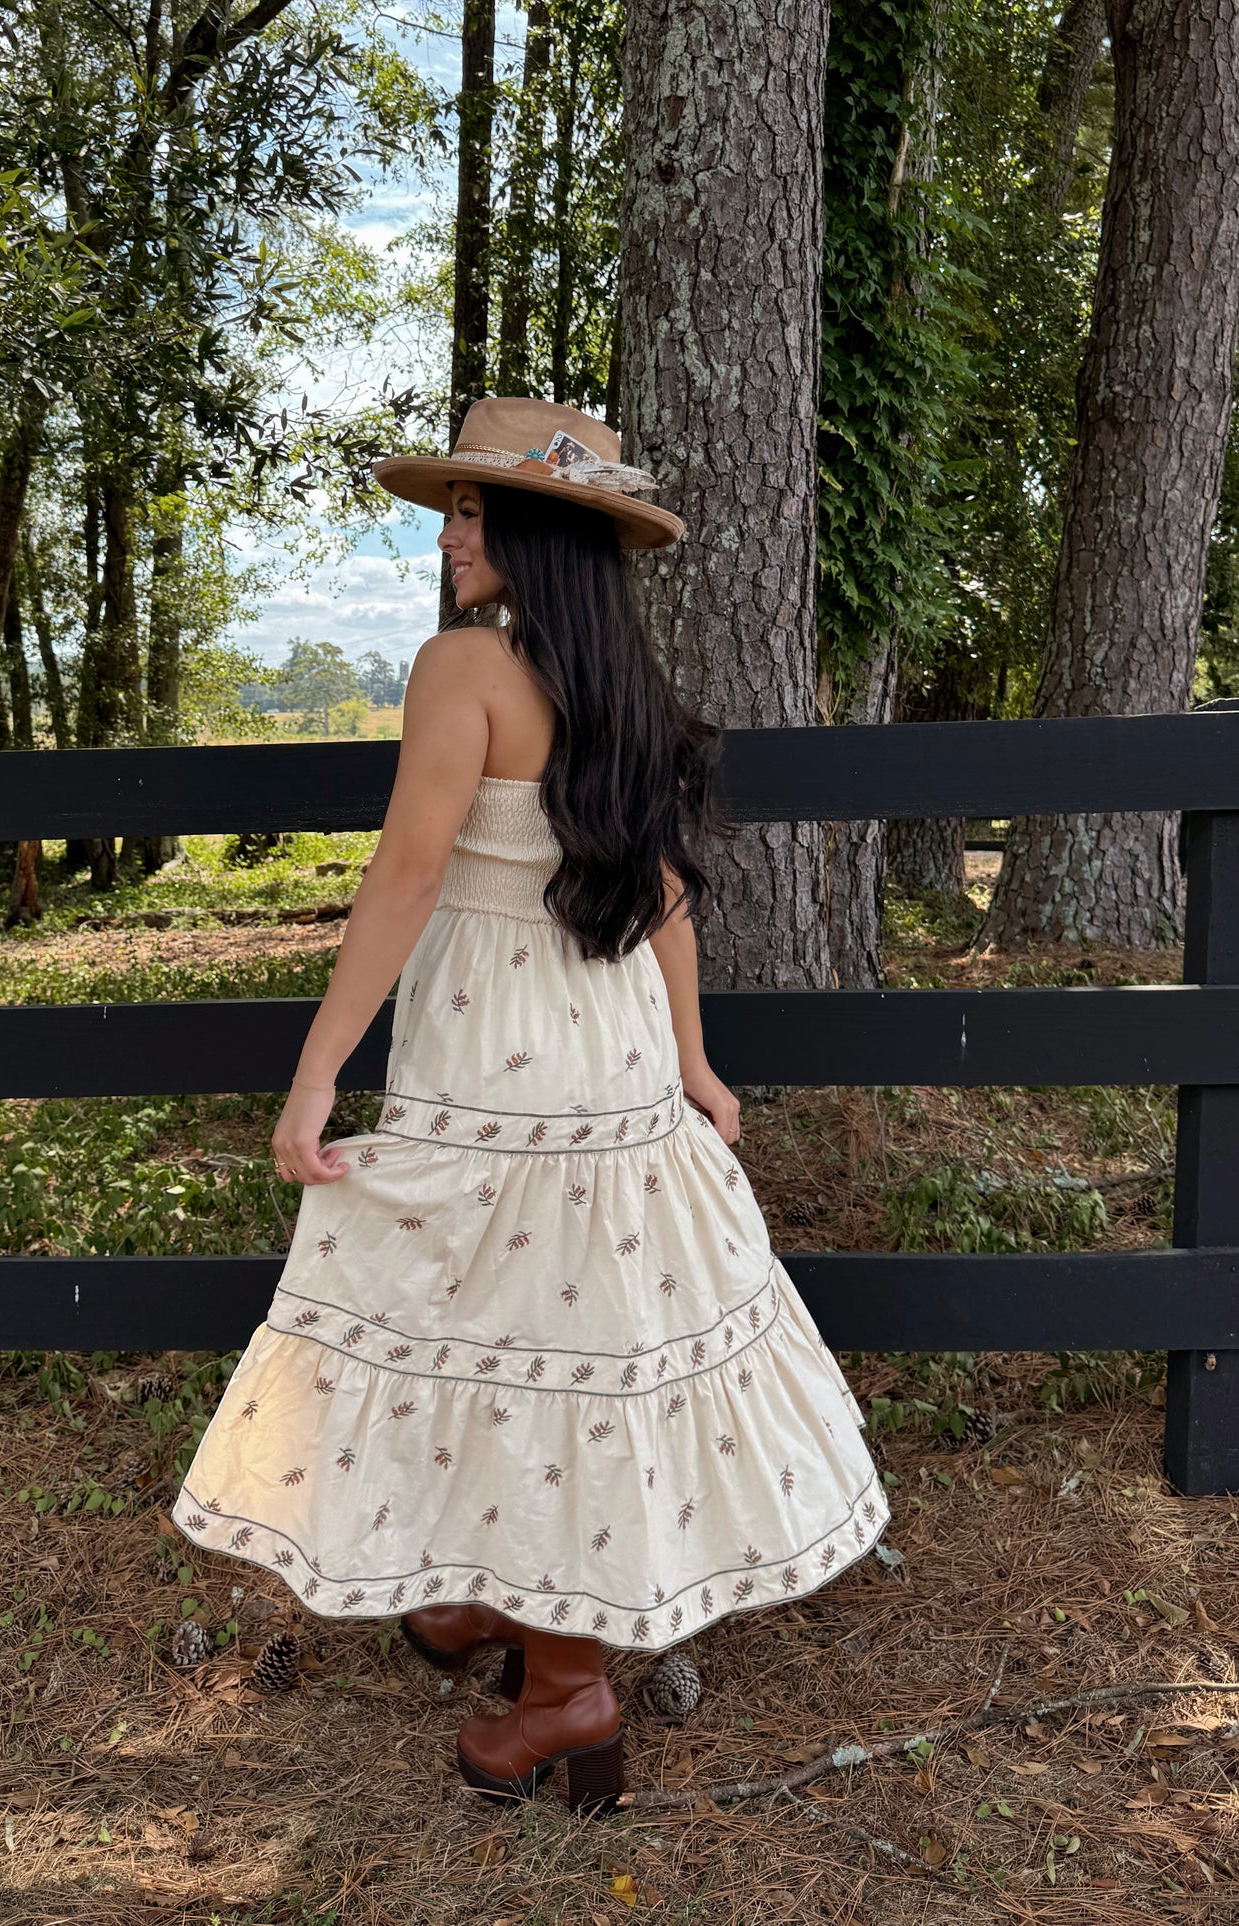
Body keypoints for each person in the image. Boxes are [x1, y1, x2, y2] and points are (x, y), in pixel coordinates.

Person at [173, 396, 889, 1813]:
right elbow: (663, 889)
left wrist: (317, 1071)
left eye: (473, 511)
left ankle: (565, 1688)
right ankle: (491, 1605)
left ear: (539, 532)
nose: (447, 536)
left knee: (504, 1327)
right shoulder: (617, 677)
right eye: (451, 509)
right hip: (604, 1049)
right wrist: (686, 1061)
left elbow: (409, 873)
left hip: (499, 1052)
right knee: (567, 1336)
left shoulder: (464, 667)